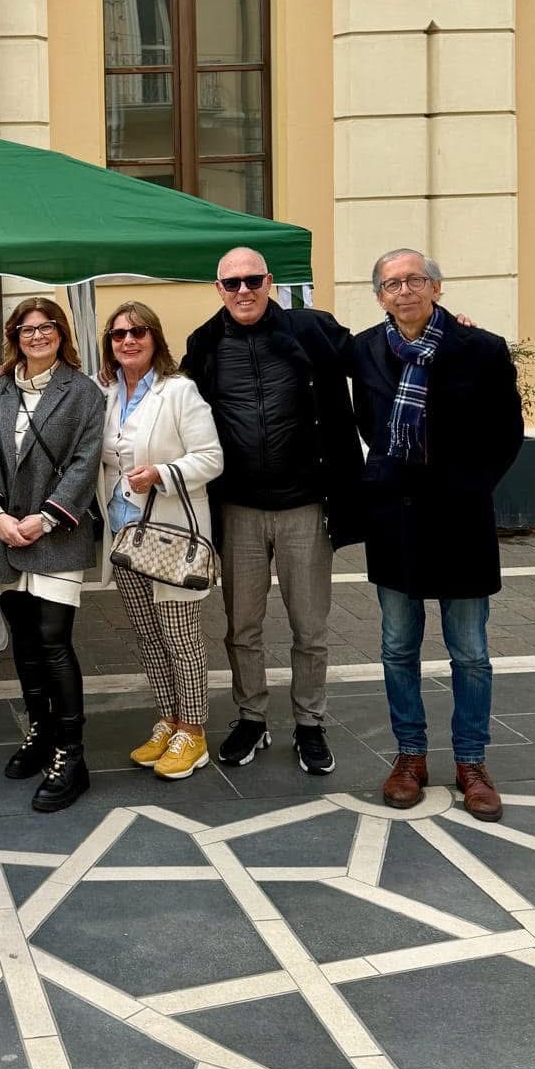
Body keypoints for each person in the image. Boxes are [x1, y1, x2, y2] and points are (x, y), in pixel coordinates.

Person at [351, 249, 523, 822]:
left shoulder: (480, 347)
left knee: (470, 652)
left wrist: (471, 487)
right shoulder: (365, 349)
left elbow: (507, 431)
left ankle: (472, 762)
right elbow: (359, 420)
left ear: (437, 288)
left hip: (460, 519)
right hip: (394, 520)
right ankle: (410, 756)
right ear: (379, 296)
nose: (403, 291)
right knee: (397, 647)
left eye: (414, 280)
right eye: (391, 283)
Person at [181, 247, 364, 776]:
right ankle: (252, 718)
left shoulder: (312, 329)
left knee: (310, 626)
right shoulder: (205, 341)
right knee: (243, 626)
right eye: (232, 282)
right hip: (237, 508)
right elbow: (163, 392)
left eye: (253, 280)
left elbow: (375, 354)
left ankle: (310, 723)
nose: (244, 290)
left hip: (305, 504)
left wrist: (445, 326)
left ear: (270, 282)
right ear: (218, 288)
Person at [0, 297, 104, 812]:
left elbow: (86, 464)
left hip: (56, 535)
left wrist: (44, 518)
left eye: (47, 328)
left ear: (61, 333)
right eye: (27, 330)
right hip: (2, 535)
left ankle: (72, 755)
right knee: (23, 643)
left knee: (53, 643)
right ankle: (41, 734)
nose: (37, 336)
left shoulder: (84, 392)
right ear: (14, 336)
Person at [98, 302, 224, 781]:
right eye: (118, 334)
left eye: (138, 332)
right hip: (126, 538)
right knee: (149, 639)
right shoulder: (106, 392)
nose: (128, 341)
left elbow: (211, 458)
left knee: (181, 638)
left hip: (170, 539)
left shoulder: (179, 392)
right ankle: (168, 721)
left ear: (155, 339)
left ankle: (193, 733)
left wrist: (164, 474)